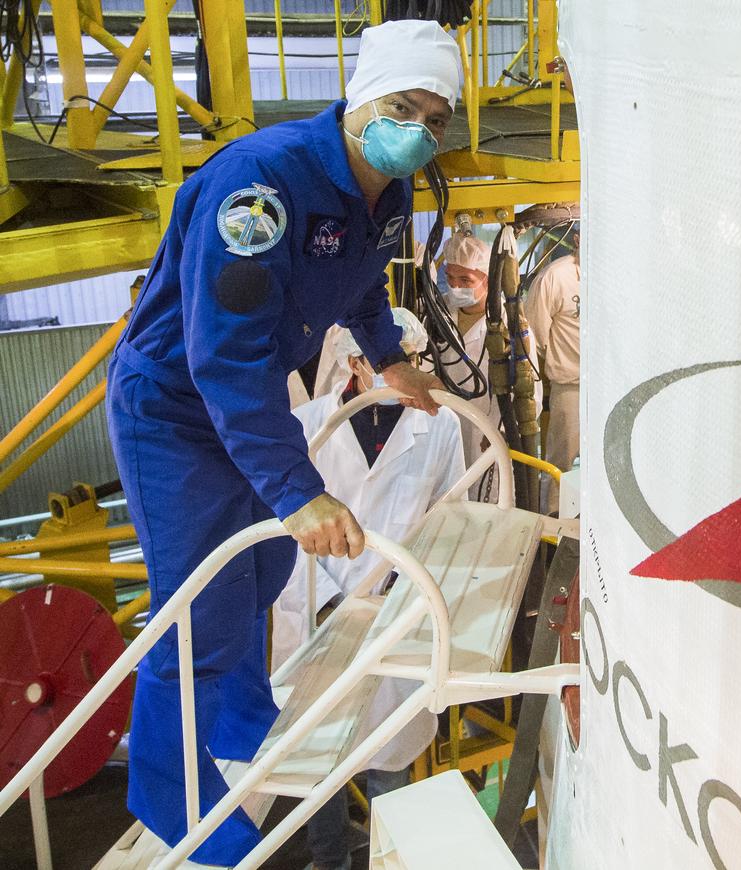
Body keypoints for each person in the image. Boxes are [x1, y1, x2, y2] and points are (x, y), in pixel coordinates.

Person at [104, 20, 461, 865]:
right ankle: (168, 793)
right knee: (200, 604)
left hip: (252, 399)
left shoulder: (387, 188)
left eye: (436, 119)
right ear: (360, 96)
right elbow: (221, 359)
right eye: (403, 107)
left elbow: (363, 282)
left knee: (262, 569)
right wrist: (298, 489)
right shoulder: (261, 185)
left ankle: (235, 716)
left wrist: (388, 358)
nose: (417, 129)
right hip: (178, 408)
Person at [271, 309, 464, 870]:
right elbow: (279, 524)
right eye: (386, 362)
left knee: (389, 754)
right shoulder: (305, 426)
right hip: (316, 611)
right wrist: (331, 601)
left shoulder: (441, 425)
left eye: (413, 362)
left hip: (395, 615)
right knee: (317, 759)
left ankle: (388, 855)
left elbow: (449, 515)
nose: (404, 375)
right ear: (355, 364)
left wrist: (404, 595)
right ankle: (331, 857)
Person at [435, 231, 542, 501]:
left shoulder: (511, 324)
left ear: (486, 278)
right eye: (450, 278)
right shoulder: (437, 317)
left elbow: (532, 392)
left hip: (490, 432)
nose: (456, 287)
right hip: (447, 428)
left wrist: (505, 432)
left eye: (465, 280)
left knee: (490, 505)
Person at [524, 227, 581, 513]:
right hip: (570, 385)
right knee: (563, 463)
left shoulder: (617, 274)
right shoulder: (555, 278)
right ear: (577, 239)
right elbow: (535, 334)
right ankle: (556, 527)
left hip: (608, 386)